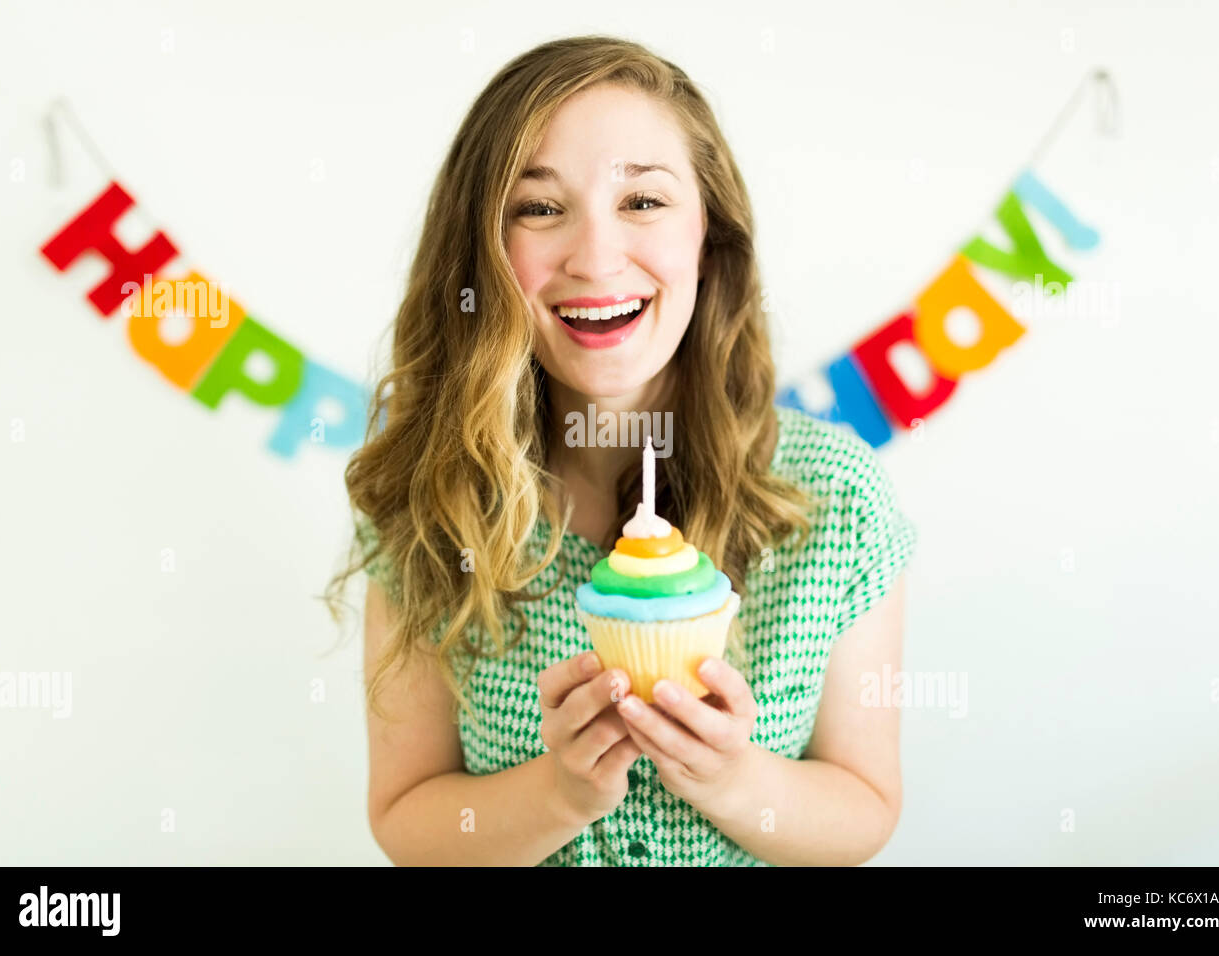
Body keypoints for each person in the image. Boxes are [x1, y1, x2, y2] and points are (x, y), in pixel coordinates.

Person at [324, 35, 918, 866]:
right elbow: (408, 819)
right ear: (482, 254)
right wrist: (559, 794)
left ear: (709, 238)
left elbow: (865, 809)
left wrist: (732, 779)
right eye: (538, 208)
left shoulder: (832, 498)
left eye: (642, 202)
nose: (597, 257)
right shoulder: (428, 501)